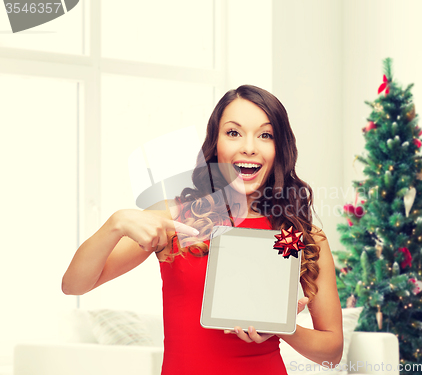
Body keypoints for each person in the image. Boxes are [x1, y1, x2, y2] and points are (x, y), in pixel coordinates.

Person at [62, 85, 343, 374]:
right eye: (234, 133)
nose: (249, 146)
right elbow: (74, 285)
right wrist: (116, 223)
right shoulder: (174, 218)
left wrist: (282, 327)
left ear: (279, 149)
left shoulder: (300, 236)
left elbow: (332, 353)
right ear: (216, 142)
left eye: (265, 135)